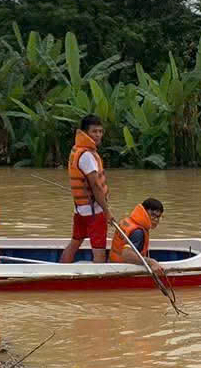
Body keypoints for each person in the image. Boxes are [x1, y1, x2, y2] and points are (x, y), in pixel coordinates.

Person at [60, 114, 110, 263]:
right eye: (94, 131)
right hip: (95, 211)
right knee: (99, 249)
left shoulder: (76, 149)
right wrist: (107, 212)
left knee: (75, 242)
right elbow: (95, 185)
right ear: (84, 132)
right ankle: (99, 280)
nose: (98, 135)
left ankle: (62, 269)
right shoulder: (87, 155)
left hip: (80, 210)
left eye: (100, 131)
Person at [110, 198, 165, 275]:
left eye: (158, 217)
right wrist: (151, 262)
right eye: (152, 215)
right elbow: (127, 255)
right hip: (121, 270)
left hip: (113, 262)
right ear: (144, 212)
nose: (156, 219)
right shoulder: (138, 233)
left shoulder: (130, 220)